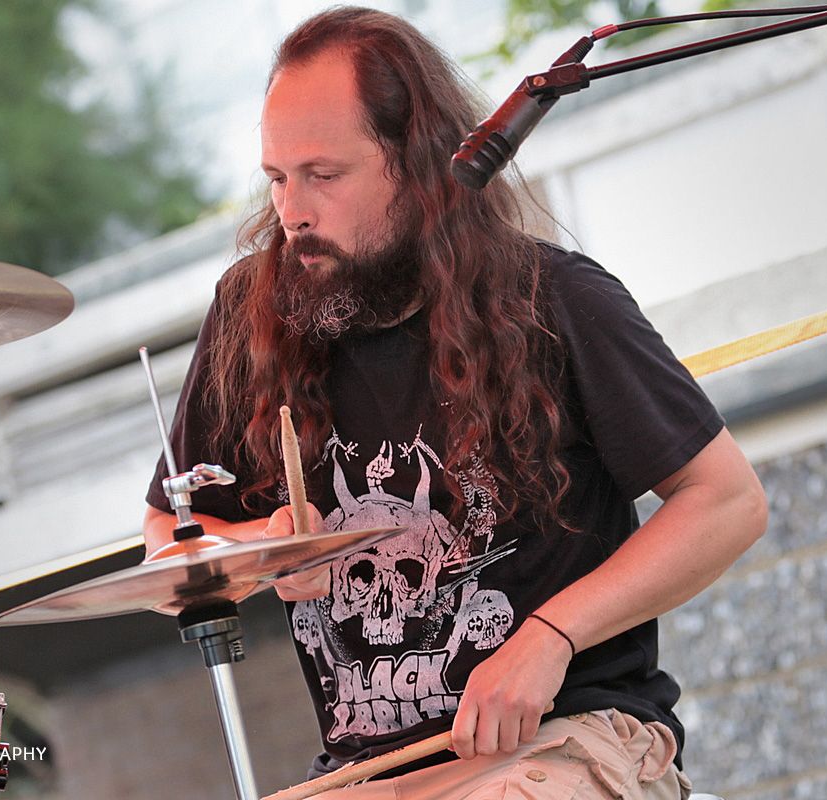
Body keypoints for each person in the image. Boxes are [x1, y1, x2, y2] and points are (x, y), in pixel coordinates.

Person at [144, 7, 766, 798]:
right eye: (277, 178)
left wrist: (550, 636)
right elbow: (167, 533)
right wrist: (262, 552)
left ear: (419, 165)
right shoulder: (253, 314)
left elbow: (727, 502)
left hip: (565, 739)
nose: (292, 210)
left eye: (324, 176)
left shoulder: (555, 299)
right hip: (365, 775)